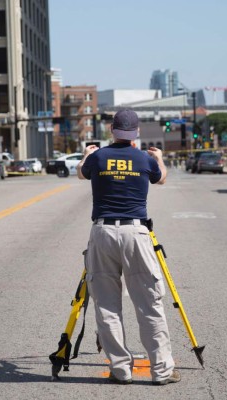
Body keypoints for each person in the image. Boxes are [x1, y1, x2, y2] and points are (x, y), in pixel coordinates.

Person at [77, 108, 180, 385]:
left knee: (107, 305)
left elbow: (80, 173)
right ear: (136, 133)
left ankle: (121, 370)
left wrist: (88, 153)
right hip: (136, 232)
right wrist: (158, 157)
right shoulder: (144, 159)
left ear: (112, 129)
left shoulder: (98, 157)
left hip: (103, 231)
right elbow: (161, 178)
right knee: (149, 302)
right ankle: (161, 371)